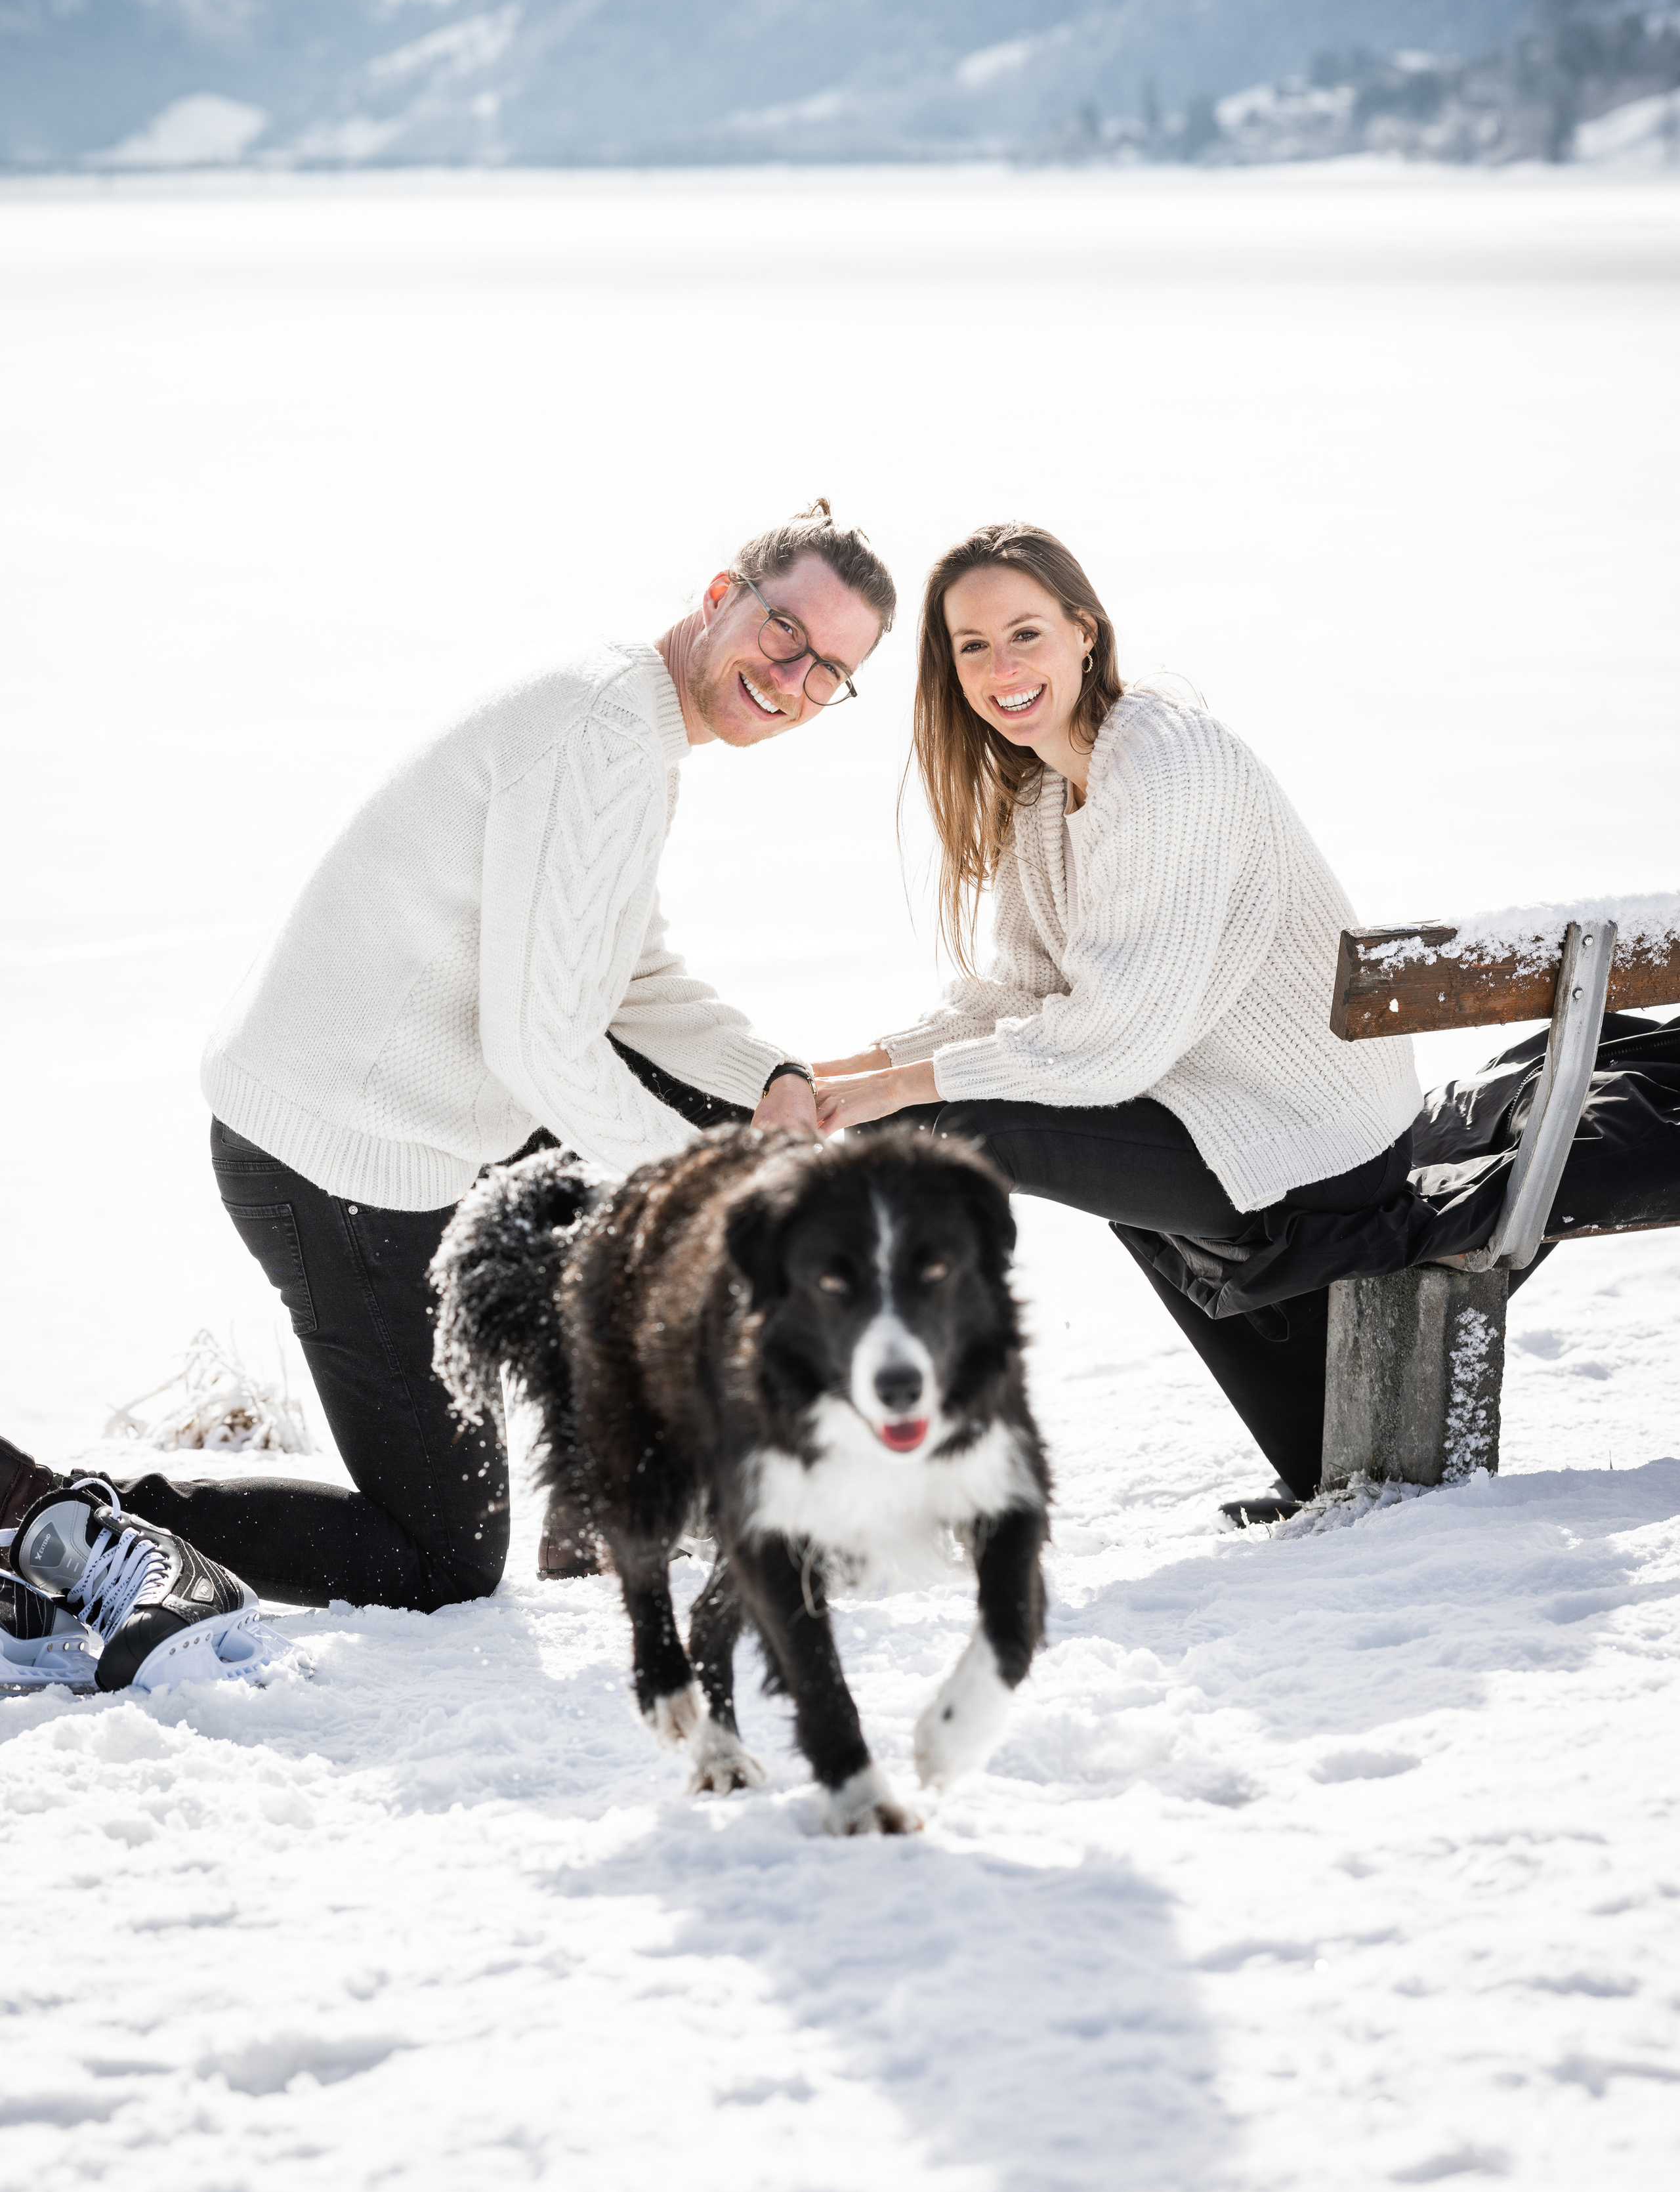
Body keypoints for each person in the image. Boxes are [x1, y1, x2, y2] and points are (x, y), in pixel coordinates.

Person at [2, 503, 896, 1611]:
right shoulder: (607, 735)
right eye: (786, 634)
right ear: (722, 599)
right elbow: (539, 1043)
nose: (796, 677)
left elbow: (625, 976)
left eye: (831, 672)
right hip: (334, 1158)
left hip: (385, 1122)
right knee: (441, 1563)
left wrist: (769, 1078)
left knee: (694, 1109)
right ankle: (50, 1516)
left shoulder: (631, 719)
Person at [812, 522, 1424, 1520]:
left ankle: (881, 1456)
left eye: (1025, 634)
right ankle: (1325, 1466)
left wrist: (892, 1093)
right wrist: (833, 1075)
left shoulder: (1165, 763)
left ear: (1083, 632)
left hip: (1318, 1136)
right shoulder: (1048, 792)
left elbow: (1107, 1045)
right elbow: (1012, 999)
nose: (1001, 668)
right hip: (1229, 1113)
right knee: (938, 1119)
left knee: (950, 1132)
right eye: (973, 647)